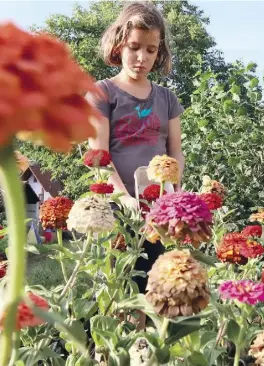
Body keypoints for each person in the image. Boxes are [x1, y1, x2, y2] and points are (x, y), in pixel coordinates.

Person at [85, 1, 185, 328]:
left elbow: (175, 153)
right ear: (119, 44)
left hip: (157, 209)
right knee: (121, 289)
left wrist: (173, 197)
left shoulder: (167, 99)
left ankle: (145, 351)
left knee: (155, 287)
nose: (142, 57)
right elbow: (98, 154)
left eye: (151, 50)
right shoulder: (103, 92)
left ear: (160, 53)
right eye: (134, 47)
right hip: (117, 207)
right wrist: (125, 198)